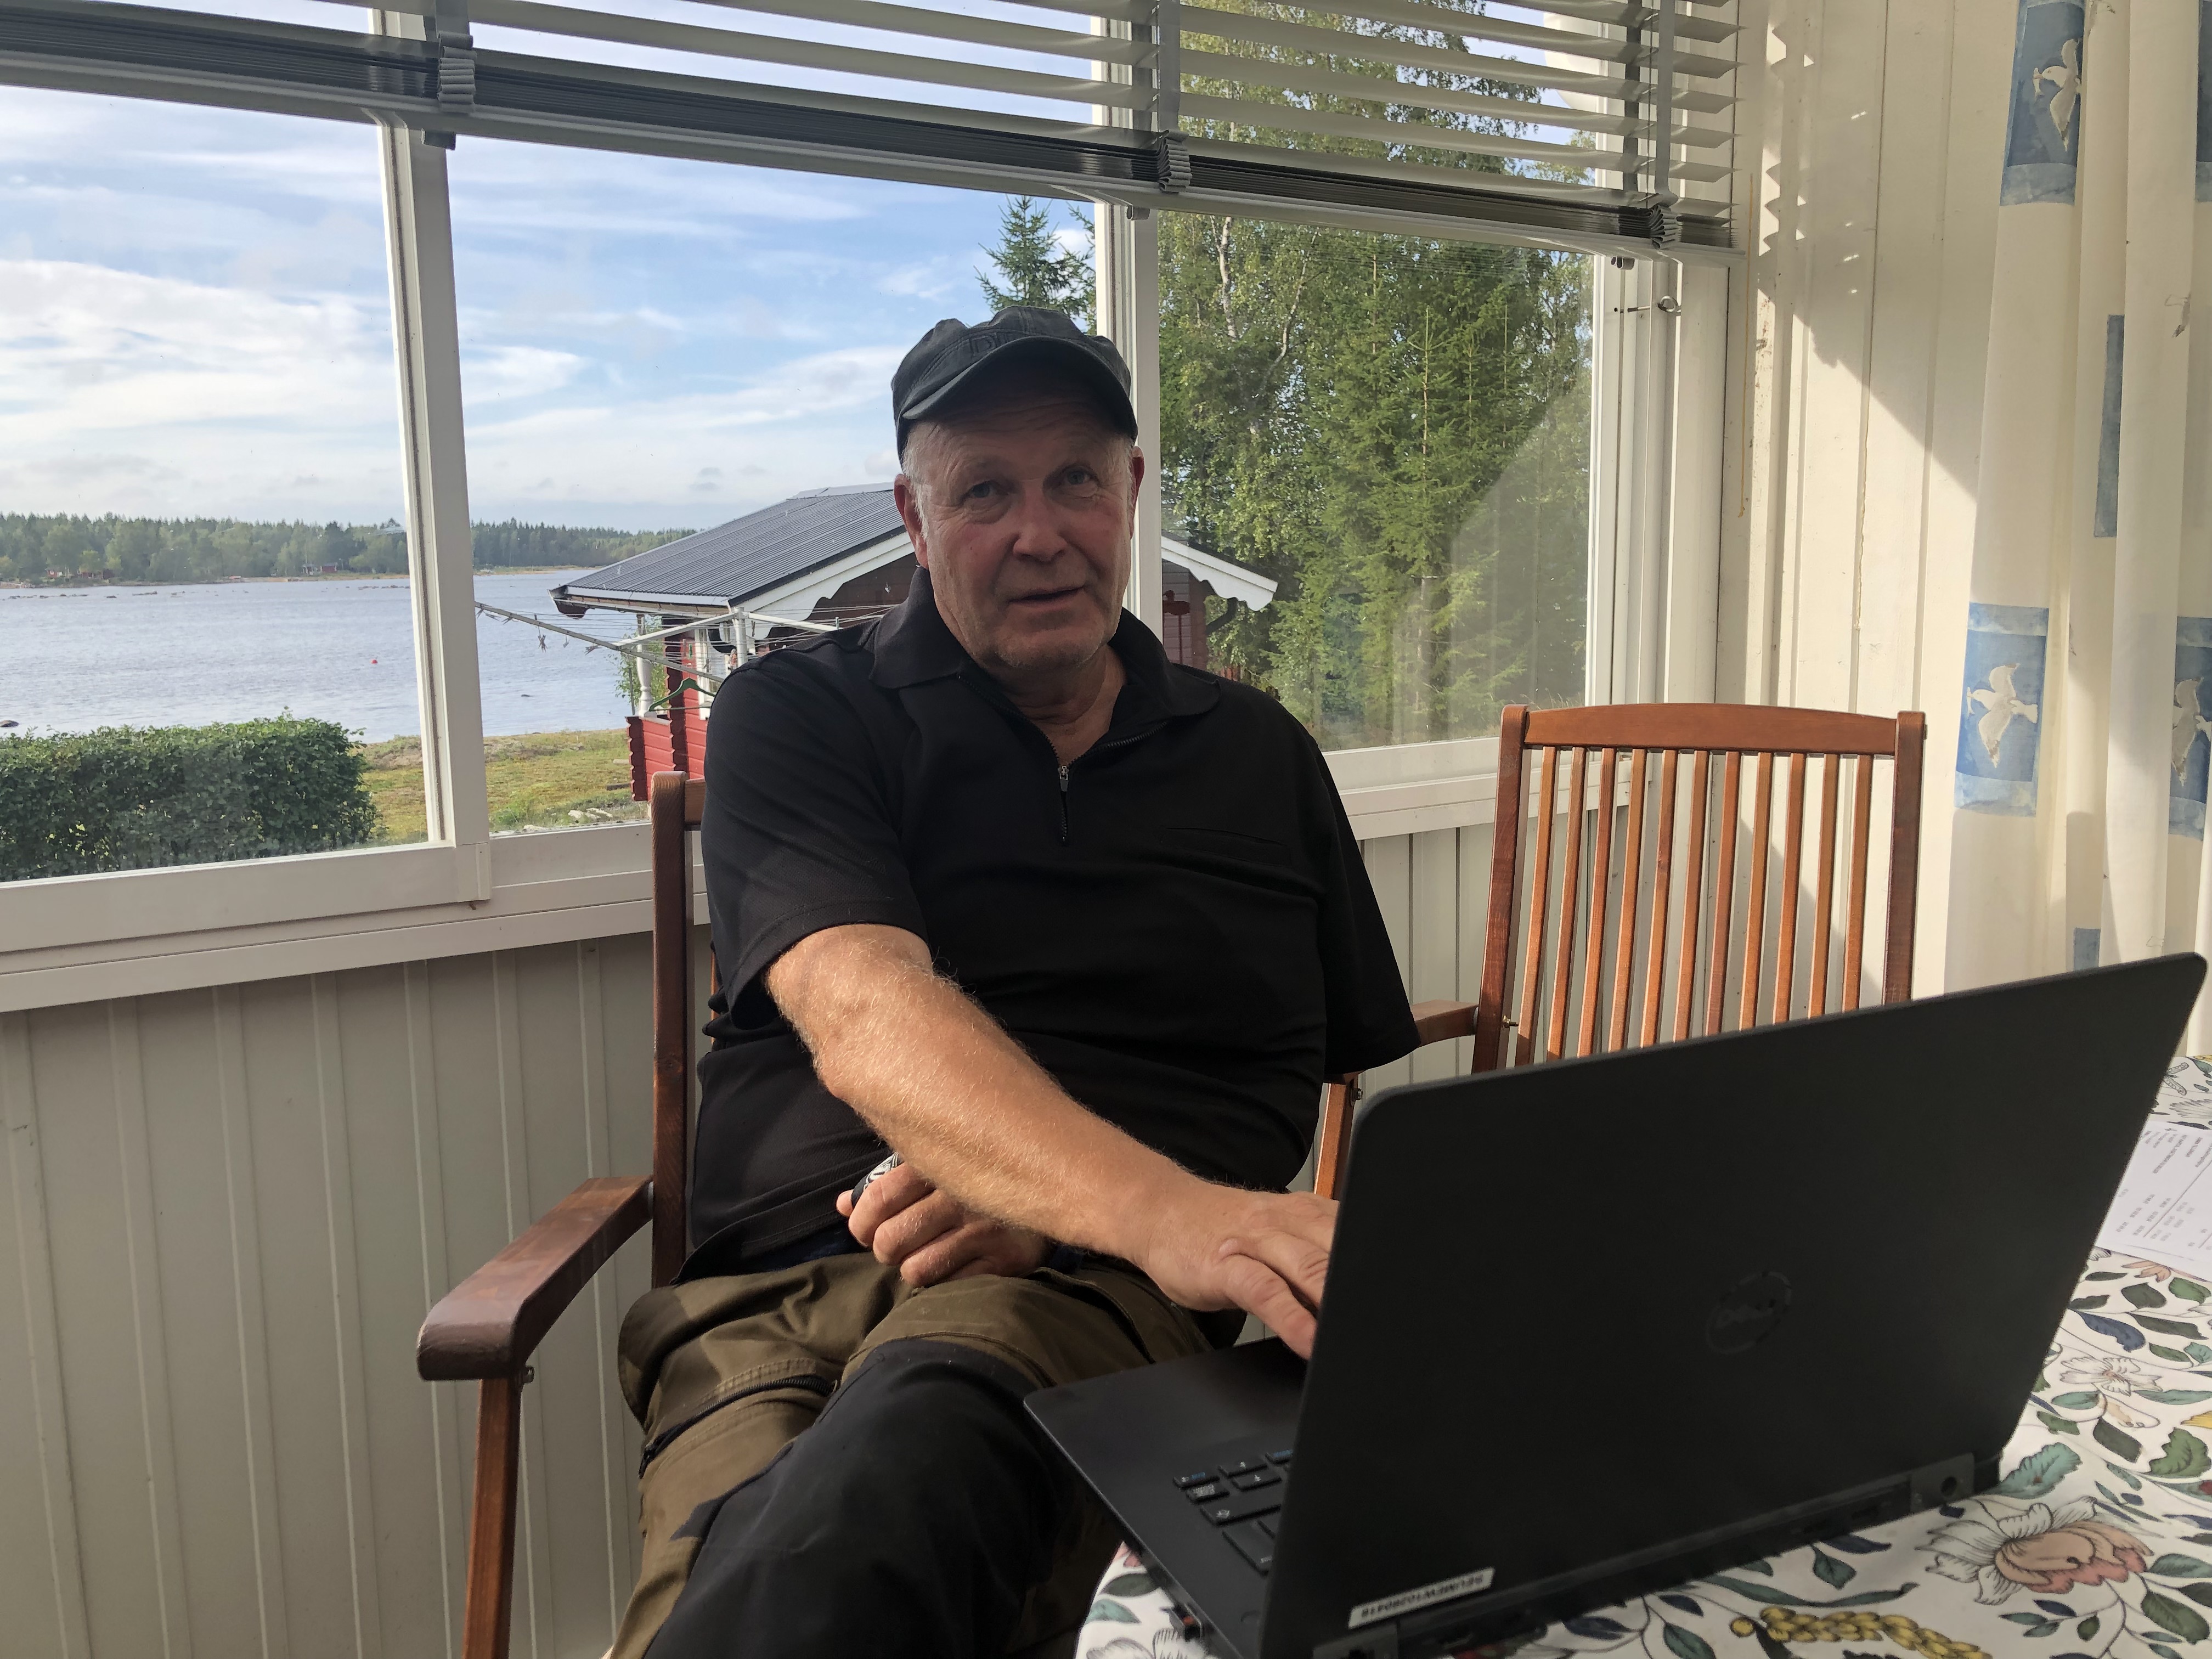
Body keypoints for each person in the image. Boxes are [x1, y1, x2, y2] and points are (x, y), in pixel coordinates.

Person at [610, 306, 1417, 1659]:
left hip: (1083, 1301)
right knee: (731, 1584)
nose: (1040, 533)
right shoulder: (801, 713)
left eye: (1075, 480)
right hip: (776, 1311)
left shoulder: (1256, 756)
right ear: (915, 520)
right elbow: (858, 999)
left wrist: (1064, 1214)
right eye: (985, 490)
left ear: (1132, 492)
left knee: (902, 1473)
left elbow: (1281, 1076)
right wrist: (1138, 1199)